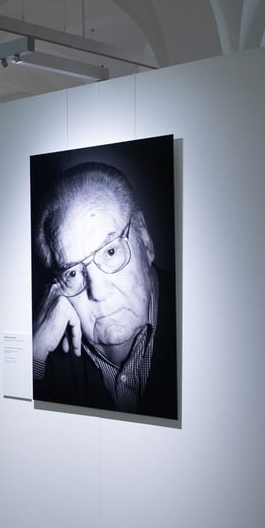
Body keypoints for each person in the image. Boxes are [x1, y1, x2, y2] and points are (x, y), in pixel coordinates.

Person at [32, 162, 177, 419]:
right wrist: (33, 354)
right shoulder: (46, 356)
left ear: (144, 238)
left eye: (110, 251)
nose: (98, 292)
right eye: (73, 272)